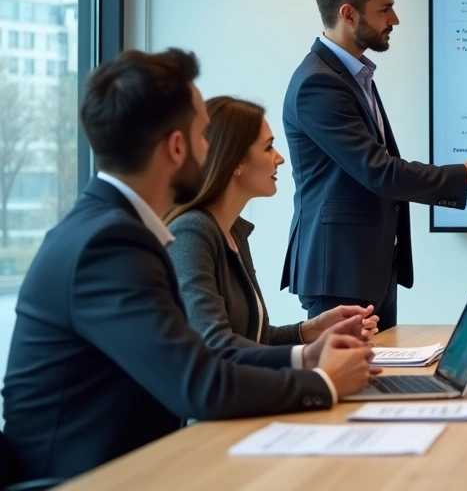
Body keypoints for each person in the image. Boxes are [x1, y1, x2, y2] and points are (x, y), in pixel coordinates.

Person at [1, 49, 378, 482]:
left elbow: (199, 359)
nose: (210, 148)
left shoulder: (111, 228)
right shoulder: (108, 244)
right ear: (177, 148)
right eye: (203, 136)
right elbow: (199, 383)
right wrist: (323, 382)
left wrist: (304, 354)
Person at [282, 0, 467, 329]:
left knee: (378, 379)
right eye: (385, 9)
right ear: (349, 14)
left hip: (370, 267)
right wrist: (465, 175)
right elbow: (379, 172)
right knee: (347, 383)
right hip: (340, 271)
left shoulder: (354, 75)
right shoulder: (318, 84)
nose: (395, 19)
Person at [166, 97, 380, 349]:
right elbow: (218, 345)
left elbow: (251, 338)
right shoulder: (192, 233)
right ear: (236, 162)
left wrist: (313, 330)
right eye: (268, 148)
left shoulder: (232, 232)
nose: (279, 159)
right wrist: (308, 356)